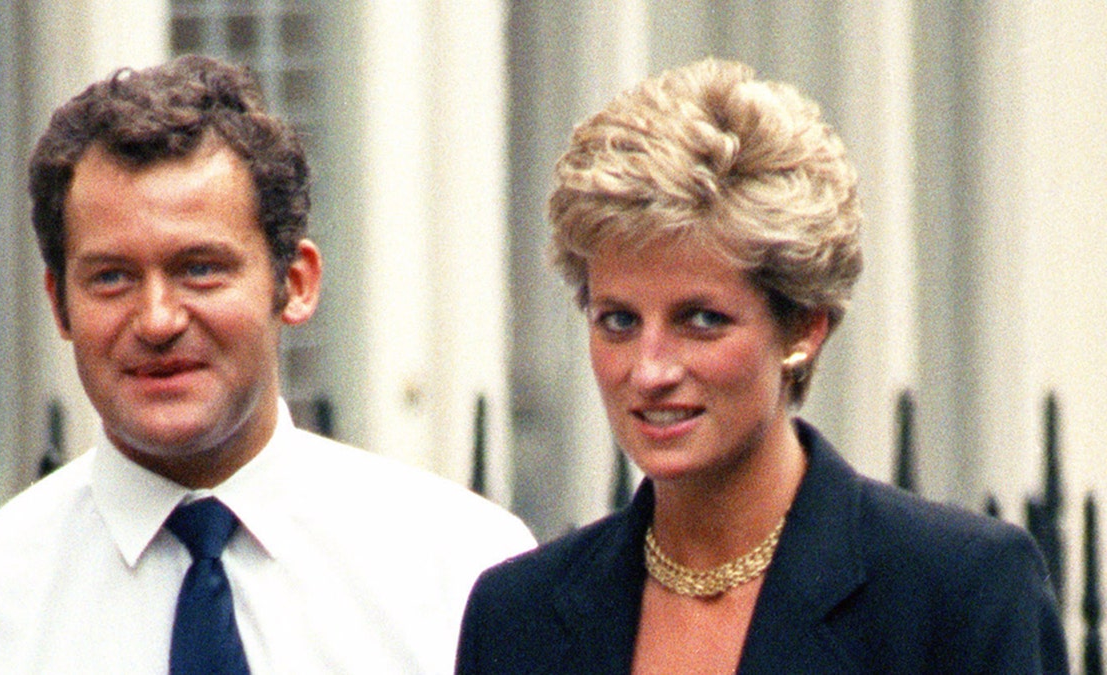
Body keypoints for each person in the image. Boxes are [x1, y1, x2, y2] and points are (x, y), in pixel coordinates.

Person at [0, 55, 535, 674]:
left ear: (295, 282)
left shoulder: (464, 575)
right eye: (111, 277)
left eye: (200, 269)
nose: (157, 320)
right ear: (59, 305)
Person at [456, 57, 1067, 674]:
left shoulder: (962, 592)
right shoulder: (517, 617)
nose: (649, 370)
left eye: (701, 320)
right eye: (618, 321)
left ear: (804, 327)